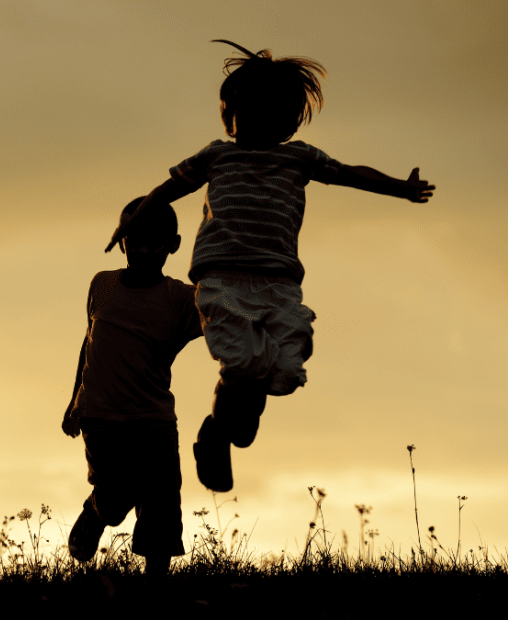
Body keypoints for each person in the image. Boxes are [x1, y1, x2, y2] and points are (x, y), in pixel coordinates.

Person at [104, 40, 435, 494]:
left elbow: (350, 173)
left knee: (285, 367)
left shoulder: (299, 158)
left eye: (266, 115)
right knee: (243, 362)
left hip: (280, 282)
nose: (252, 123)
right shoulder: (217, 156)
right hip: (223, 279)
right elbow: (165, 191)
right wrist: (131, 223)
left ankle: (228, 427)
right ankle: (216, 436)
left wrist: (399, 188)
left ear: (287, 122)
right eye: (243, 113)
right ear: (229, 116)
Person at [62, 196, 204, 582]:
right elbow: (90, 343)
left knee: (161, 500)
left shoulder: (182, 300)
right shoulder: (102, 284)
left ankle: (154, 588)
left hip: (154, 419)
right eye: (134, 241)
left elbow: (225, 320)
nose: (143, 250)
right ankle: (97, 511)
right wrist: (74, 400)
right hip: (100, 415)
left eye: (154, 243)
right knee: (115, 493)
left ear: (173, 245)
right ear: (121, 241)